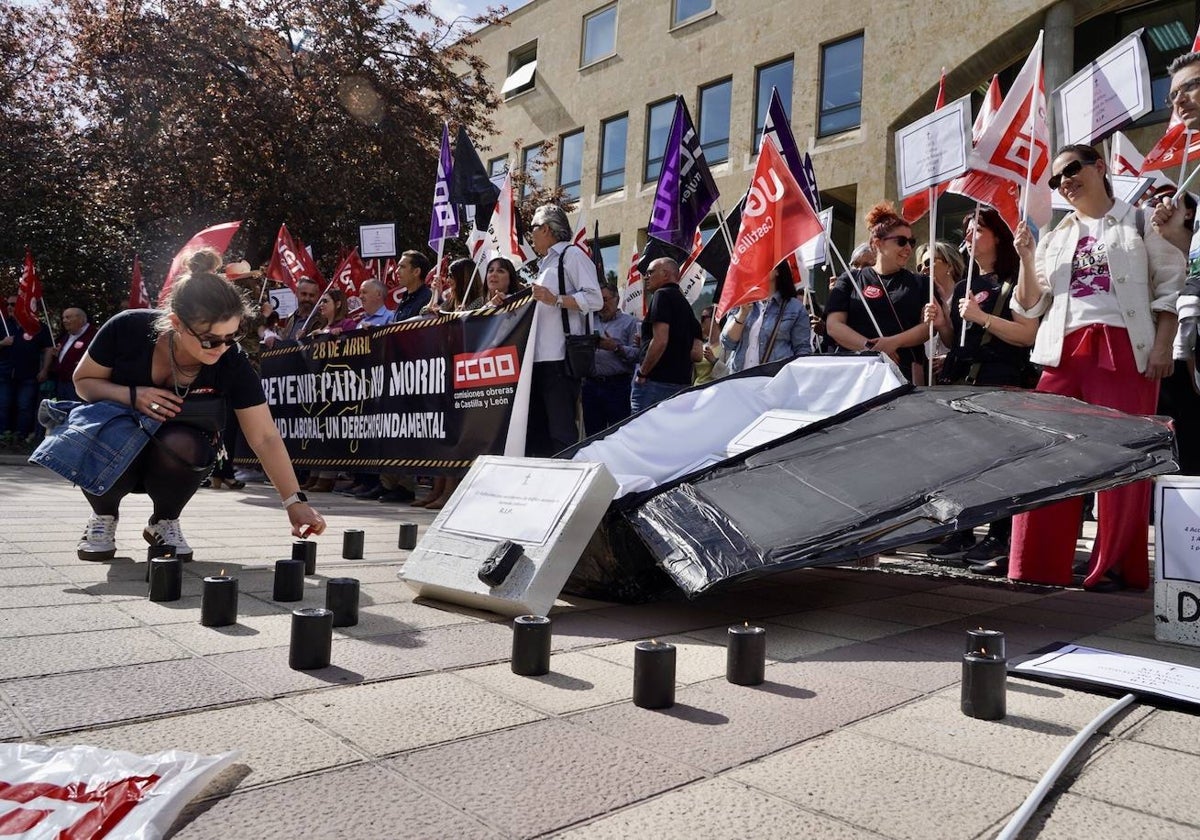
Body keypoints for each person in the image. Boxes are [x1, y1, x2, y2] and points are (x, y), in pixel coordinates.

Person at [65, 248, 326, 561]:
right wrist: (134, 395)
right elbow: (83, 383)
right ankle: (103, 517)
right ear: (176, 322)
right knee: (100, 432)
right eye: (210, 339)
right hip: (117, 440)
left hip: (171, 452)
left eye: (233, 335)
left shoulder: (231, 359)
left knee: (191, 444)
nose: (222, 347)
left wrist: (293, 502)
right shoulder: (127, 328)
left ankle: (165, 521)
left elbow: (265, 436)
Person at [1009, 144, 1183, 591]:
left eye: (1071, 169)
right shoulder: (1055, 235)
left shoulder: (1143, 220)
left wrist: (1164, 346)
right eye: (1055, 178)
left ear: (1100, 167)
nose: (1063, 181)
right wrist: (1027, 257)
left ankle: (1113, 565)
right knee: (1044, 454)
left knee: (1122, 460)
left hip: (1125, 349)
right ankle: (1037, 564)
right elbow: (1030, 306)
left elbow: (1169, 288)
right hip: (1062, 351)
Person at [924, 208, 1038, 570]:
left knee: (1000, 462)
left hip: (1001, 379)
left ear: (998, 236)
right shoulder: (965, 284)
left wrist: (982, 317)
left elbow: (1024, 336)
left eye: (978, 230)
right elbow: (956, 340)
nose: (970, 237)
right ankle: (964, 529)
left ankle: (998, 535)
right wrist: (943, 323)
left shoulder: (1015, 277)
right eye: (968, 230)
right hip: (963, 382)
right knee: (963, 462)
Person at [824, 202, 933, 383]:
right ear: (877, 243)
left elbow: (928, 328)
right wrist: (872, 347)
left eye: (911, 242)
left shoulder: (921, 282)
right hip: (857, 375)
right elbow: (834, 326)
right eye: (901, 241)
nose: (908, 248)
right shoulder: (849, 280)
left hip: (904, 374)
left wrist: (893, 342)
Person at [526, 203, 603, 456]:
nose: (531, 234)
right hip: (537, 360)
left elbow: (595, 299)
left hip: (559, 358)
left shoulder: (572, 255)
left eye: (533, 228)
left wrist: (555, 299)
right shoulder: (545, 263)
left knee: (561, 432)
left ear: (546, 229)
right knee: (538, 432)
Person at [632, 257, 702, 412]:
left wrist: (643, 373)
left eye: (650, 272)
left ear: (666, 274)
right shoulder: (687, 307)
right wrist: (645, 344)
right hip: (681, 386)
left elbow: (660, 340)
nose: (646, 277)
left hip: (655, 384)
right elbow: (697, 354)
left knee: (642, 433)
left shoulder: (661, 295)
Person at [721, 262, 812, 374]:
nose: (757, 268)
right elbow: (727, 343)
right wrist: (742, 314)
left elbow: (802, 350)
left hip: (774, 382)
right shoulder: (742, 301)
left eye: (763, 261)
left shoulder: (795, 308)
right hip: (739, 382)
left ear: (777, 271)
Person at [581, 283, 639, 436]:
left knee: (619, 434)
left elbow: (638, 355)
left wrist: (616, 347)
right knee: (593, 437)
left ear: (617, 299)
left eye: (605, 299)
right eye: (599, 300)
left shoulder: (630, 323)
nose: (602, 305)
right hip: (591, 385)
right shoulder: (589, 321)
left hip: (618, 386)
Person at [51, 307, 97, 401]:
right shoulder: (66, 336)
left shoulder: (94, 336)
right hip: (62, 382)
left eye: (68, 317)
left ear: (81, 319)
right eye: (63, 318)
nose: (64, 321)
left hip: (81, 385)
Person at [390, 250, 433, 322]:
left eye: (402, 267)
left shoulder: (429, 300)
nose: (397, 271)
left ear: (416, 272)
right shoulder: (405, 297)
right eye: (398, 266)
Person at [279, 277, 320, 341]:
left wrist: (306, 340)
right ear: (296, 293)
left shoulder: (323, 320)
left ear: (317, 296)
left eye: (311, 295)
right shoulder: (290, 318)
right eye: (304, 294)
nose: (307, 299)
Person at [693, 305, 725, 384]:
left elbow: (730, 373)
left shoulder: (726, 347)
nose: (701, 322)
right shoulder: (701, 345)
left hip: (713, 392)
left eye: (703, 318)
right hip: (696, 391)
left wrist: (714, 361)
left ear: (715, 320)